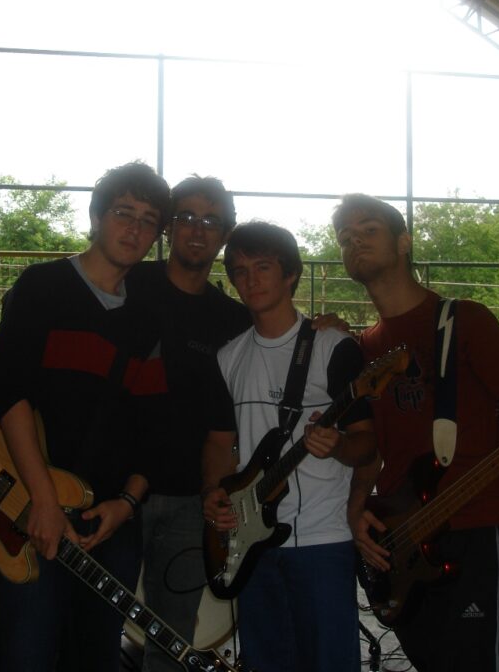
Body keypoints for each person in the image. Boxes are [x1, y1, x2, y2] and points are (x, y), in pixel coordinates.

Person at [333, 194, 499, 672]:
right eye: (345, 237)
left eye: (368, 229)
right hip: (406, 539)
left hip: (477, 531)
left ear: (404, 242)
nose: (355, 241)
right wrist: (357, 510)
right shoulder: (363, 348)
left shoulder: (465, 321)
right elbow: (372, 450)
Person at [0, 161, 171, 672]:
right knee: (27, 651)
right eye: (123, 212)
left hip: (108, 524)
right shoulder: (41, 287)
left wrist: (126, 505)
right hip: (31, 509)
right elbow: (10, 396)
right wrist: (45, 503)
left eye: (149, 220)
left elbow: (154, 425)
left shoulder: (147, 317)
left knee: (95, 655)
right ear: (95, 216)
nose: (134, 228)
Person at [201, 221, 375, 672]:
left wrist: (337, 445)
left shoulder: (333, 347)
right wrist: (214, 494)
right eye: (240, 271)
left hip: (322, 539)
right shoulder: (228, 357)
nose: (251, 280)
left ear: (291, 275)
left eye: (263, 267)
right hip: (251, 543)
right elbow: (221, 444)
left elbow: (368, 445)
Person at [125, 176, 250, 672]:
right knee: (85, 621)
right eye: (187, 218)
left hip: (187, 501)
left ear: (225, 235)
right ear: (168, 227)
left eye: (211, 221)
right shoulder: (128, 285)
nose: (197, 231)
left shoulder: (232, 319)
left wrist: (327, 327)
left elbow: (284, 339)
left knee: (172, 634)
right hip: (109, 494)